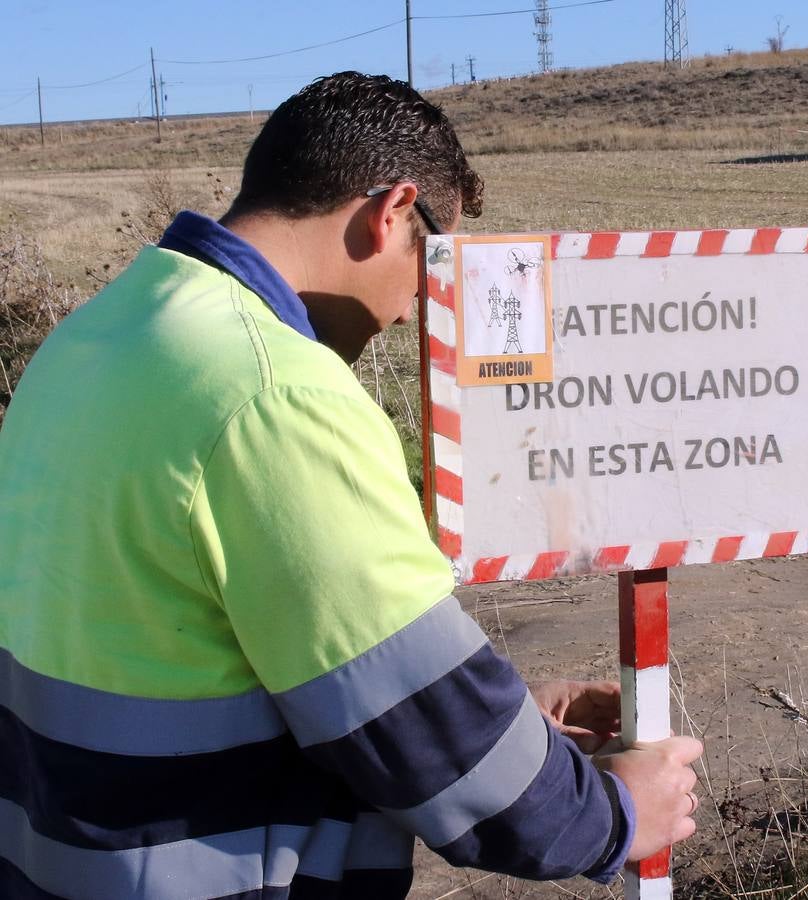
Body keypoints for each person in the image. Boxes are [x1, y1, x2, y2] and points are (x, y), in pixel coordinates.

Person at [0, 72, 703, 899]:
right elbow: (428, 732)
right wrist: (613, 811)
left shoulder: (99, 333)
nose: (412, 309)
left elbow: (199, 644)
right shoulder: (278, 394)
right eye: (430, 262)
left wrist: (510, 712)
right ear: (392, 212)